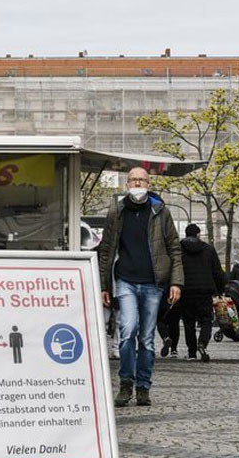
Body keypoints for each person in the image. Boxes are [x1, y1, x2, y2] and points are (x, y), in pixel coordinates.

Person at [96, 167, 183, 407]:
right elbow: (106, 251)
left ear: (149, 183)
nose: (137, 183)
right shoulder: (117, 211)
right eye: (134, 180)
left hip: (153, 283)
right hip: (125, 280)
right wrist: (105, 285)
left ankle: (143, 386)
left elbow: (174, 248)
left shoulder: (160, 211)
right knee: (128, 331)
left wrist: (176, 281)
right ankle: (125, 383)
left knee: (146, 338)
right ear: (127, 184)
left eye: (142, 180)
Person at [177, 223, 226, 362]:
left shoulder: (179, 249)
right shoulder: (209, 250)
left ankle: (191, 353)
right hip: (205, 292)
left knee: (189, 323)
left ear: (186, 235)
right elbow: (217, 272)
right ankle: (202, 343)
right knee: (206, 320)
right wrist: (221, 289)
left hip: (186, 291)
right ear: (198, 234)